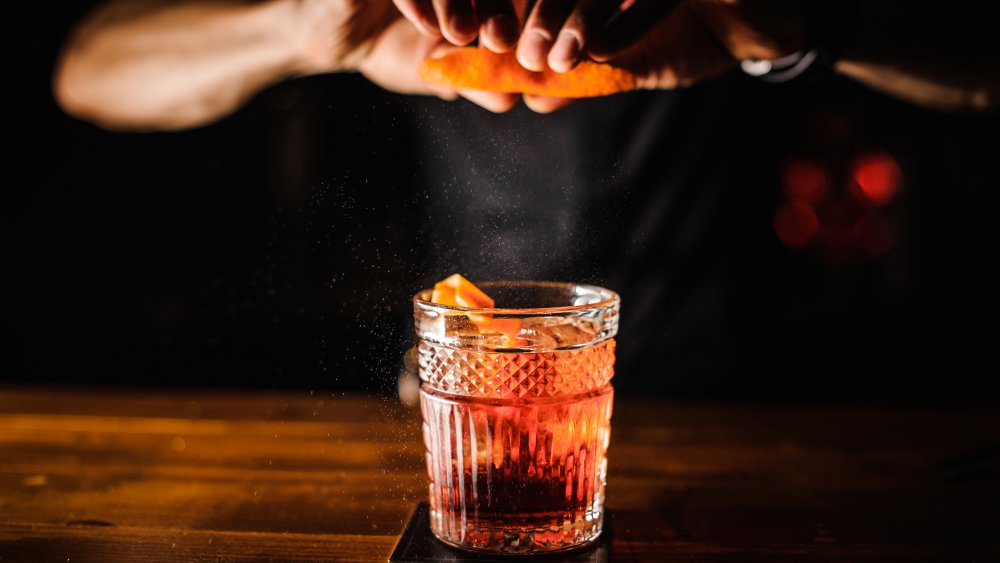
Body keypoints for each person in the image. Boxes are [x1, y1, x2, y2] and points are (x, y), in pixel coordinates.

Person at [49, 1, 1000, 398]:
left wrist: (790, 30)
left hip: (740, 401)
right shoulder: (404, 20)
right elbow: (90, 72)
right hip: (472, 405)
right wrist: (302, 27)